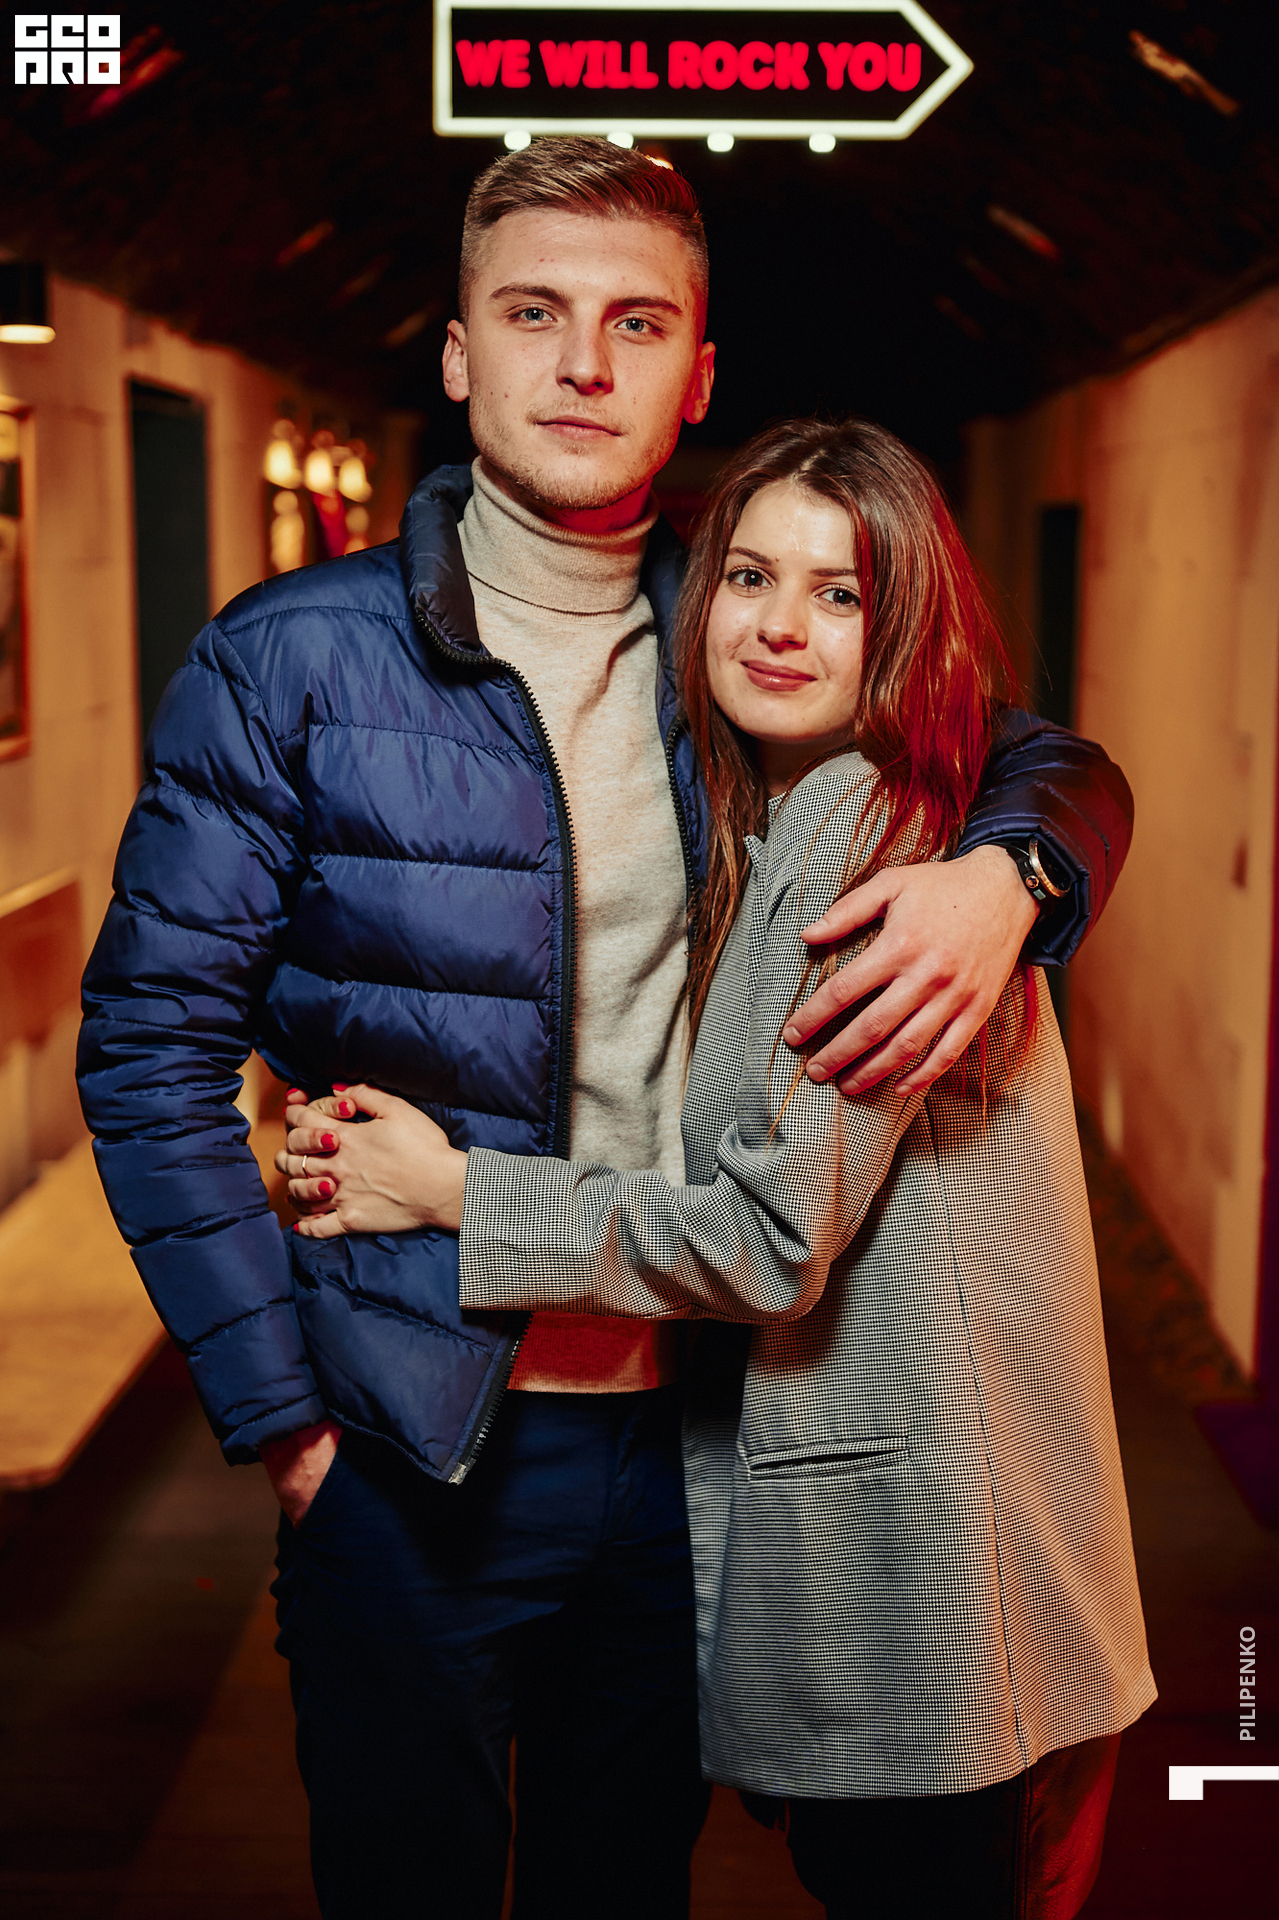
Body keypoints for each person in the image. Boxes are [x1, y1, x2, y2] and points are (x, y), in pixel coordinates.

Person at [77, 141, 1134, 1919]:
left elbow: (1022, 746)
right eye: (532, 313)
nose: (582, 363)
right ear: (456, 352)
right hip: (405, 1450)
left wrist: (1014, 874)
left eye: (635, 323)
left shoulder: (734, 634)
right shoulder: (290, 660)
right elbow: (149, 1049)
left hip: (684, 1447)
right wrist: (289, 1430)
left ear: (697, 375)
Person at [283, 415, 1155, 1920]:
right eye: (750, 576)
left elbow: (765, 1241)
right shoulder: (821, 812)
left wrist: (452, 1191)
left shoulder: (869, 836)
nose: (779, 624)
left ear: (904, 631)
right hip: (960, 1584)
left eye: (840, 593)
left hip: (933, 1598)